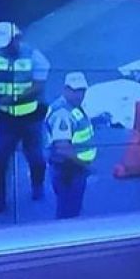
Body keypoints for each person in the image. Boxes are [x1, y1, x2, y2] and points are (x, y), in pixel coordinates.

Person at [0, 21, 49, 216]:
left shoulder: (35, 56)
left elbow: (38, 85)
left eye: (9, 43)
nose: (6, 48)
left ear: (17, 38)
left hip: (30, 116)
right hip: (5, 118)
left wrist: (14, 97)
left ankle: (37, 185)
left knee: (36, 158)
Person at [45, 71, 97, 219]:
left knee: (72, 208)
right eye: (74, 90)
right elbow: (63, 148)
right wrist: (84, 165)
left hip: (73, 169)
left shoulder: (74, 107)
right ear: (65, 89)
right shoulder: (63, 113)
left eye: (81, 90)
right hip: (68, 171)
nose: (79, 95)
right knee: (68, 213)